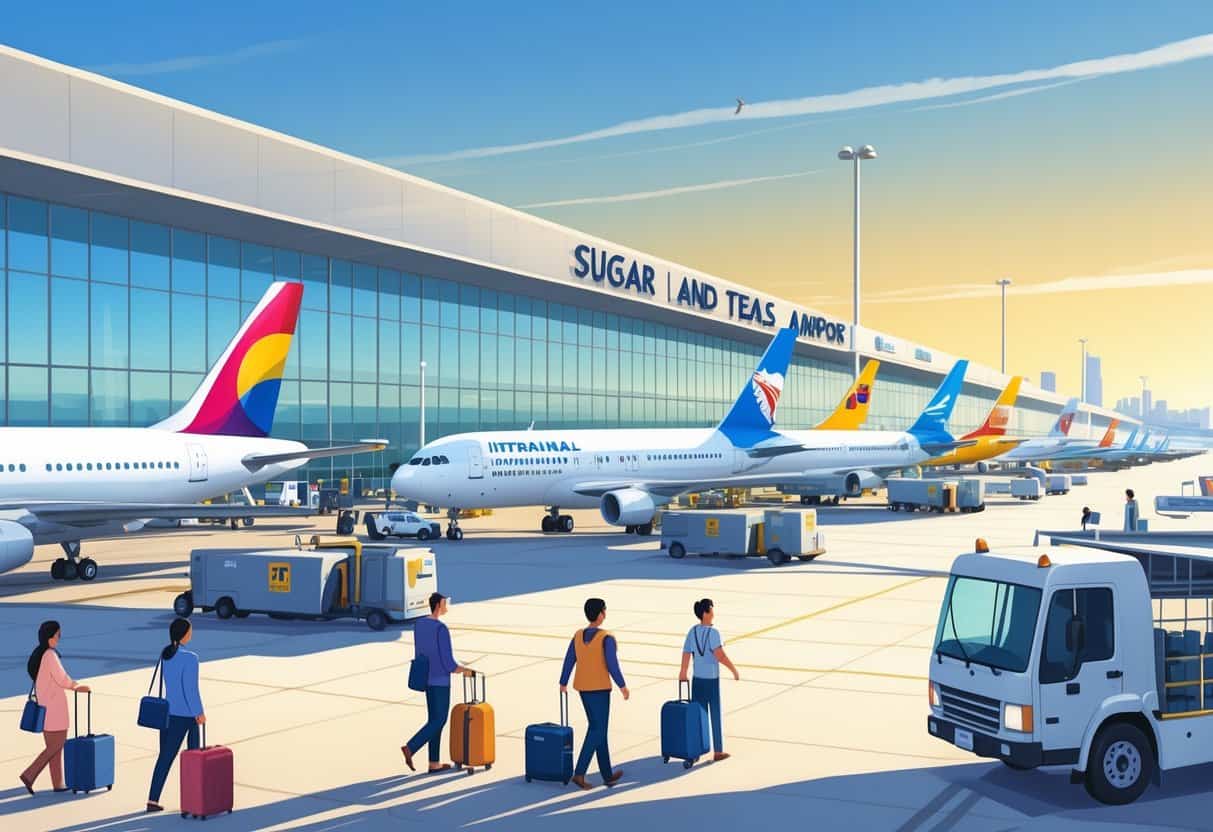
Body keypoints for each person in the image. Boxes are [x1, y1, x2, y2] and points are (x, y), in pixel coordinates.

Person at [560, 597, 628, 790]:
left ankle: (607, 774)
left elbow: (569, 659)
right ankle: (580, 773)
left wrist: (563, 681)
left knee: (599, 729)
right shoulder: (606, 638)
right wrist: (622, 686)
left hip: (583, 688)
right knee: (597, 730)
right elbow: (612, 665)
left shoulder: (578, 635)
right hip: (599, 689)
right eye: (604, 610)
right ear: (600, 614)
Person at [402, 592, 475, 773]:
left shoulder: (419, 625)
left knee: (434, 719)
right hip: (440, 680)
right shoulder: (441, 629)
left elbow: (422, 651)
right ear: (438, 606)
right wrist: (464, 670)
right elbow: (448, 662)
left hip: (426, 678)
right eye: (444, 604)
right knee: (439, 719)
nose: (446, 606)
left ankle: (433, 762)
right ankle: (411, 747)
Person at [20, 621, 90, 795]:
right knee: (56, 746)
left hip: (45, 707)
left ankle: (57, 783)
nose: (59, 638)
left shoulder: (39, 654)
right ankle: (29, 774)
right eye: (58, 635)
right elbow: (61, 678)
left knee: (55, 749)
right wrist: (76, 686)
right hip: (55, 707)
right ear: (50, 637)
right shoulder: (50, 655)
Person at [147, 617, 205, 813]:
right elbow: (190, 689)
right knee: (193, 759)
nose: (192, 633)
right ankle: (193, 800)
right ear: (184, 634)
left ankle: (152, 799)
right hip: (187, 716)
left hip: (169, 714)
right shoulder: (190, 658)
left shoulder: (166, 655)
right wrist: (199, 712)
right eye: (190, 630)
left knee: (164, 758)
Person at [680, 599, 739, 763]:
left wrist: (683, 672)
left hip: (697, 679)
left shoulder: (692, 631)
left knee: (698, 716)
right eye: (711, 610)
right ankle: (718, 750)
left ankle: (695, 751)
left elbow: (686, 652)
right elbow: (720, 655)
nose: (714, 613)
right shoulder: (714, 633)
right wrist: (733, 669)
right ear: (705, 613)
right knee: (715, 714)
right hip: (711, 680)